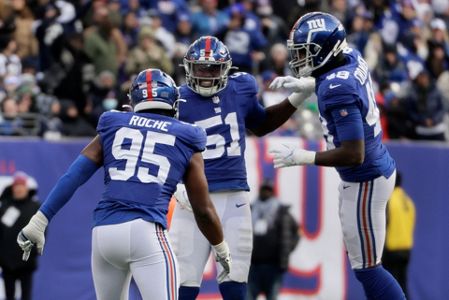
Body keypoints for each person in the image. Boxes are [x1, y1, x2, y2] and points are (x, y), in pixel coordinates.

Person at [16, 68, 231, 300]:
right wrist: (220, 246)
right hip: (146, 232)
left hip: (104, 235)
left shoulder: (114, 122)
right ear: (172, 101)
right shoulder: (188, 134)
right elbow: (203, 210)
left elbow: (74, 175)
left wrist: (41, 218)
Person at [269, 12, 406, 300]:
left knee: (369, 268)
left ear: (328, 49)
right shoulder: (351, 55)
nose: (300, 58)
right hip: (371, 171)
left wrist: (302, 157)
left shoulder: (336, 88)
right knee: (364, 264)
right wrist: (308, 85)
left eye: (307, 52)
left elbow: (353, 153)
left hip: (364, 178)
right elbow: (336, 77)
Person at [169, 35, 314, 300]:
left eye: (212, 68)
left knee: (235, 281)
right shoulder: (176, 100)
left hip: (233, 197)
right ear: (189, 67)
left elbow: (260, 124)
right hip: (190, 201)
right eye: (200, 67)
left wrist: (296, 99)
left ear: (226, 69)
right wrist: (173, 184)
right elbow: (161, 148)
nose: (205, 75)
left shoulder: (242, 87)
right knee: (182, 283)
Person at [247, 180, 300, 300]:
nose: (266, 192)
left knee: (272, 297)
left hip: (274, 266)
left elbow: (297, 232)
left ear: (272, 192)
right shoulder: (250, 209)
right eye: (264, 189)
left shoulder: (281, 211)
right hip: (252, 266)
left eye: (268, 190)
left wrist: (287, 248)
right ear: (260, 190)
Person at [0, 172, 40, 300]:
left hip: (26, 261)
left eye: (21, 186)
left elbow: (41, 231)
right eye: (16, 186)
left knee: (26, 295)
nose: (18, 189)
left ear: (26, 188)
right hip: (7, 262)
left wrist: (33, 251)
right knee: (9, 295)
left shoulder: (35, 207)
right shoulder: (5, 206)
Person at [383, 172, 416, 297]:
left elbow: (384, 225)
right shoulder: (408, 202)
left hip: (391, 251)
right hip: (406, 251)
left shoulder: (389, 201)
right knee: (403, 285)